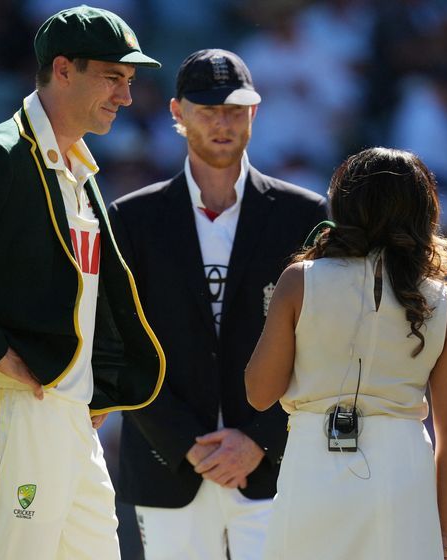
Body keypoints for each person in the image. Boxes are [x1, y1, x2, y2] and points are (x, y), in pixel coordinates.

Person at [0, 7, 165, 559]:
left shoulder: (77, 166)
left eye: (130, 81)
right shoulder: (0, 154)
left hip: (70, 417)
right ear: (63, 69)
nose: (127, 96)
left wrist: (100, 381)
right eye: (114, 78)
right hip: (12, 411)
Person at [108, 49, 328, 560]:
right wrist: (187, 440)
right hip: (168, 466)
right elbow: (117, 347)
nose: (222, 123)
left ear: (255, 112)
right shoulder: (132, 219)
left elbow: (323, 344)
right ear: (177, 114)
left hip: (275, 466)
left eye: (234, 109)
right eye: (207, 111)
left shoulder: (305, 214)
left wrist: (259, 439)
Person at [245, 147, 447, 560]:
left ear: (344, 204)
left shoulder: (299, 281)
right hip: (403, 472)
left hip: (314, 465)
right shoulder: (444, 302)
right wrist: (442, 535)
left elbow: (259, 393)